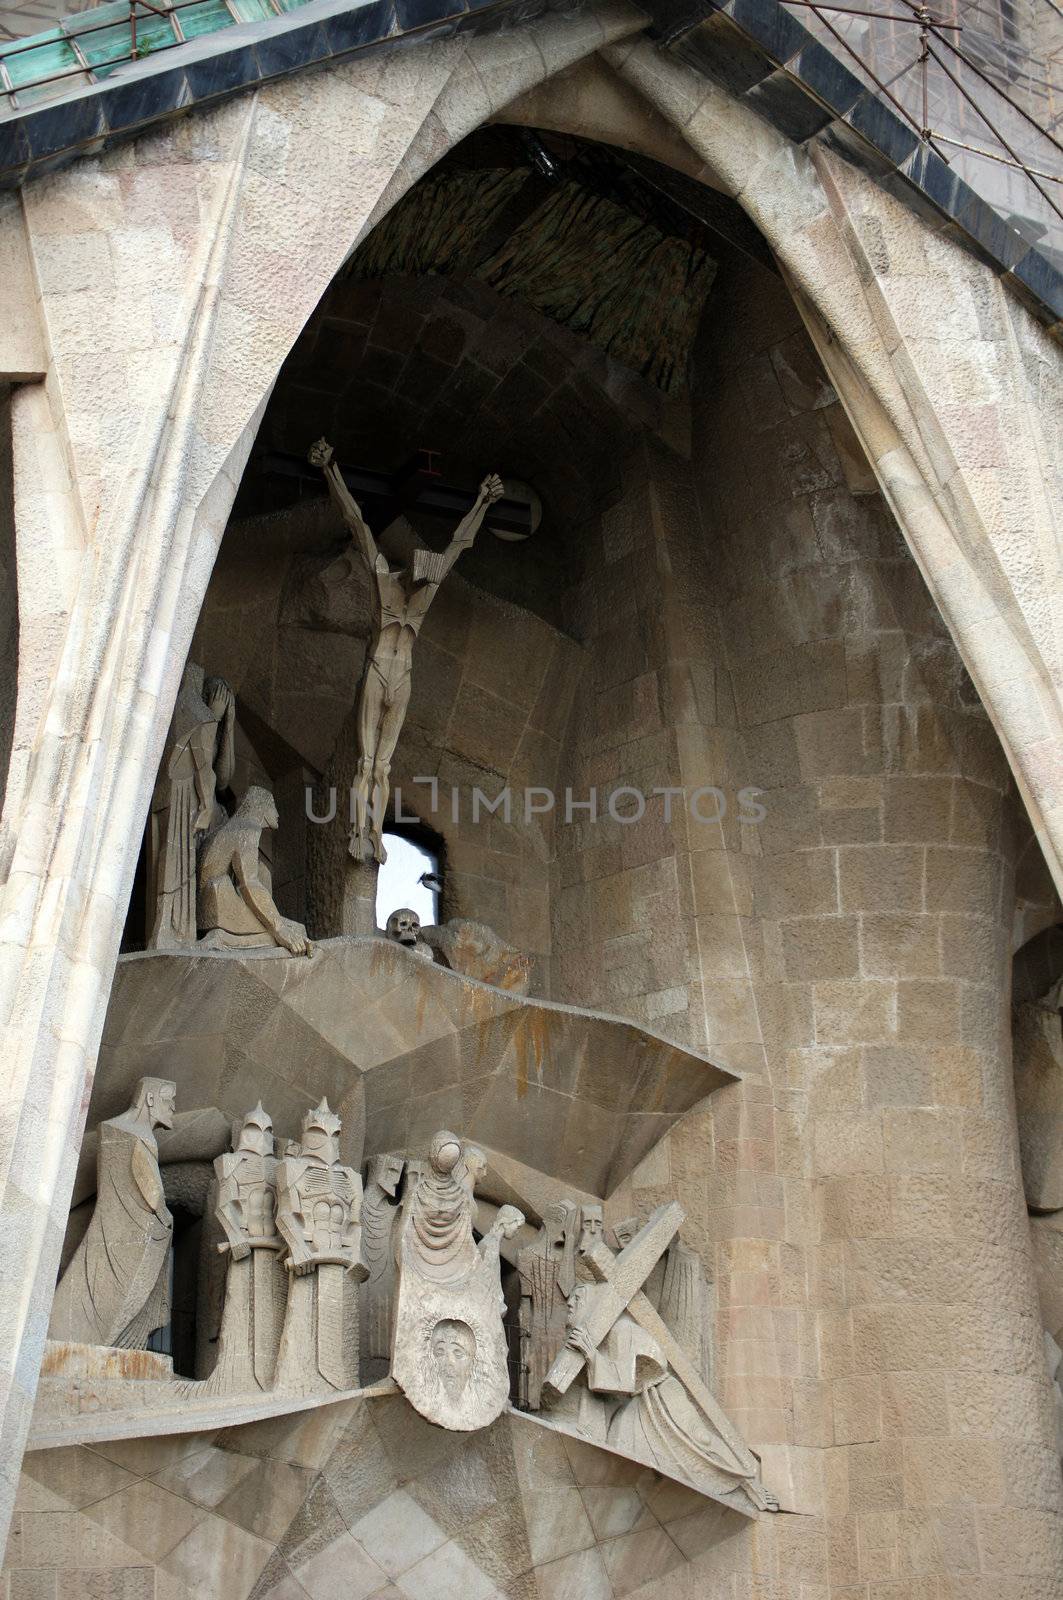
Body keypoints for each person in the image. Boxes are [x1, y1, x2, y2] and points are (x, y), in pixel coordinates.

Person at [309, 439, 503, 864]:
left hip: (402, 677)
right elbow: (357, 523)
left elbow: (459, 545)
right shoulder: (383, 580)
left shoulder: (425, 596)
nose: (425, 583)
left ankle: (374, 836)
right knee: (366, 763)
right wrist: (330, 470)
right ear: (410, 571)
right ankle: (356, 832)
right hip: (380, 671)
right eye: (421, 577)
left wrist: (482, 501)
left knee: (383, 767)